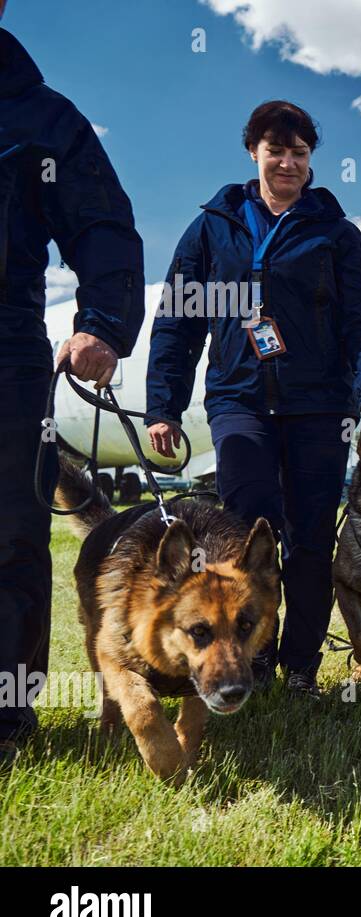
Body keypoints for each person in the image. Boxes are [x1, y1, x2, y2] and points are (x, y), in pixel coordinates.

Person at [146, 100, 361, 698]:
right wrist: (163, 404)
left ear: (311, 160)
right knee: (245, 537)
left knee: (310, 539)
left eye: (300, 153)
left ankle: (301, 666)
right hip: (239, 402)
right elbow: (177, 321)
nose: (287, 162)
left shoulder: (336, 234)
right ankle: (250, 657)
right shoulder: (212, 228)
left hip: (318, 406)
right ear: (253, 152)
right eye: (275, 150)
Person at [0, 9, 146, 768]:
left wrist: (105, 323)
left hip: (7, 351)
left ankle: (4, 725)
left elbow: (103, 227)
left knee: (10, 537)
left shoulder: (43, 115)